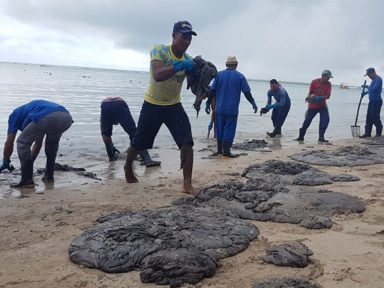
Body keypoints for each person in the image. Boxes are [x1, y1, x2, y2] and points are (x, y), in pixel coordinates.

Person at [124, 21, 197, 194]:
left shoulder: (189, 60)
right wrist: (179, 66)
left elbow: (195, 87)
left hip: (173, 106)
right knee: (139, 142)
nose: (186, 41)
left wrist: (200, 74)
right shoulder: (159, 50)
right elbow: (157, 75)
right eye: (183, 37)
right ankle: (128, 166)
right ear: (173, 36)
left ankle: (187, 184)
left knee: (187, 142)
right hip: (152, 104)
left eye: (189, 38)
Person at [0, 99, 73, 187]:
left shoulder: (14, 115)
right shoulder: (34, 113)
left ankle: (27, 181)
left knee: (22, 142)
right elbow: (38, 144)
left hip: (49, 117)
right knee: (51, 145)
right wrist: (30, 163)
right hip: (67, 118)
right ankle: (49, 177)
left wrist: (5, 161)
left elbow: (9, 143)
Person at [205, 56, 257, 157]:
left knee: (219, 129)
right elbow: (246, 92)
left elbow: (212, 90)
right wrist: (253, 102)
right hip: (231, 109)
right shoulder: (240, 76)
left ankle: (219, 151)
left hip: (219, 109)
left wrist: (207, 103)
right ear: (236, 65)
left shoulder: (219, 75)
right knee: (229, 129)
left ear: (226, 65)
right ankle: (227, 152)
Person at [100, 96, 161, 167]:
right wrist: (112, 147)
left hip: (106, 105)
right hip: (120, 103)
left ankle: (112, 158)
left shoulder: (104, 116)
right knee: (133, 133)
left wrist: (110, 149)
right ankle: (147, 159)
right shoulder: (121, 109)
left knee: (106, 134)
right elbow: (133, 136)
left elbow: (105, 134)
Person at [295, 70, 333, 143]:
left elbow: (328, 96)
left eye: (329, 77)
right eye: (328, 77)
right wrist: (311, 96)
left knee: (325, 120)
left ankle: (321, 138)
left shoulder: (329, 84)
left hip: (322, 106)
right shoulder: (314, 82)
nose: (329, 79)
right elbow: (310, 93)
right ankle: (301, 137)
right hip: (312, 106)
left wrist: (320, 98)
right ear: (323, 76)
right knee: (307, 121)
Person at [359, 67, 383, 138]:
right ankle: (367, 133)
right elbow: (371, 89)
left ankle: (379, 133)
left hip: (377, 102)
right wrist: (366, 90)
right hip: (372, 102)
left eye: (369, 75)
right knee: (369, 117)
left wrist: (366, 89)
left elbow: (374, 89)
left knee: (375, 117)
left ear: (373, 73)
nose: (369, 77)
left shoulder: (378, 79)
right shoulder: (373, 80)